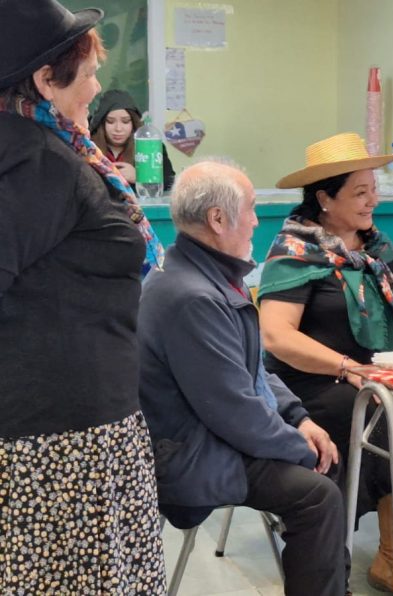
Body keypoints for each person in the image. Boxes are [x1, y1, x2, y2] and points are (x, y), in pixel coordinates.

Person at [259, 133, 393, 596]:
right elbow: (276, 336)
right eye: (360, 192)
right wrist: (346, 367)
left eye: (373, 188)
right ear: (324, 198)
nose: (373, 200)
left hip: (376, 376)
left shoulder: (378, 250)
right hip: (311, 384)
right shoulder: (295, 251)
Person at [0, 1, 166, 592]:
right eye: (89, 71)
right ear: (46, 79)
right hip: (61, 445)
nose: (98, 86)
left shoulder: (47, 147)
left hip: (75, 429)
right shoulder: (35, 161)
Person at [137, 160, 347, 595]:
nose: (255, 219)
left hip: (213, 437)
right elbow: (233, 411)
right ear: (217, 219)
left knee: (326, 453)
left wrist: (300, 419)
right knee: (318, 492)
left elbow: (253, 370)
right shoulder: (191, 296)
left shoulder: (207, 277)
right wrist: (300, 449)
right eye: (250, 208)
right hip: (192, 455)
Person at [89, 88, 176, 191]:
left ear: (133, 123)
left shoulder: (151, 147)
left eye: (125, 121)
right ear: (102, 124)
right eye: (110, 121)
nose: (118, 128)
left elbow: (170, 182)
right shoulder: (88, 148)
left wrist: (139, 177)